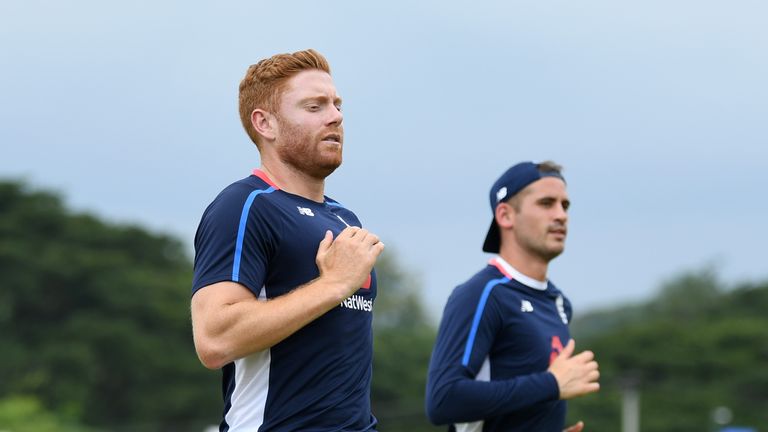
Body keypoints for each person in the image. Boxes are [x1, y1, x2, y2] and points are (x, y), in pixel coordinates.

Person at [190, 49, 384, 431]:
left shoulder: (344, 217)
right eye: (314, 107)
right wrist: (331, 285)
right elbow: (214, 339)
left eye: (337, 105)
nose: (336, 117)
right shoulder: (244, 205)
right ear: (265, 124)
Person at [425, 161, 600, 432]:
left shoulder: (559, 302)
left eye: (565, 206)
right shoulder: (483, 294)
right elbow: (444, 400)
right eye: (546, 203)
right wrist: (551, 385)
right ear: (505, 215)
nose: (561, 215)